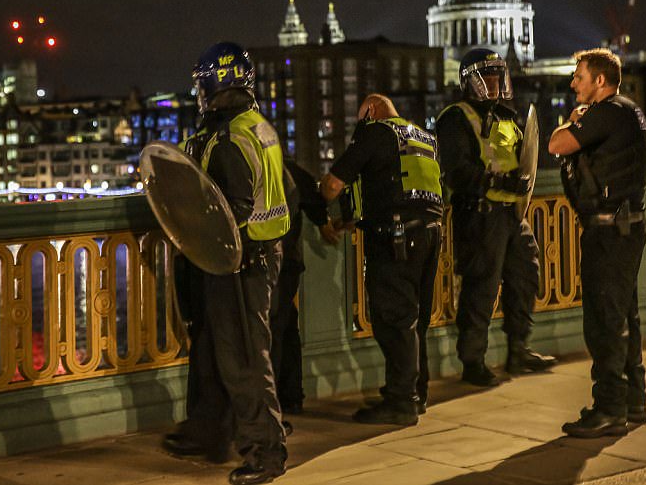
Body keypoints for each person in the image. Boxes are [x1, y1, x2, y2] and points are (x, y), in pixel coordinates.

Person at [163, 42, 289, 485]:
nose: (198, 95)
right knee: (233, 356)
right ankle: (222, 433)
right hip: (264, 255)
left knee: (244, 363)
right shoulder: (257, 127)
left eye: (201, 86)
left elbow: (230, 210)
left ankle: (266, 454)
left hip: (240, 265)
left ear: (215, 84)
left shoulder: (230, 140)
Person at [435, 48, 556, 388]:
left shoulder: (507, 116)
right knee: (480, 289)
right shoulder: (455, 117)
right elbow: (457, 172)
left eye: (496, 74)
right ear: (469, 81)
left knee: (525, 276)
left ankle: (519, 349)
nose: (493, 82)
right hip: (479, 217)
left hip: (513, 215)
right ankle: (473, 361)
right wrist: (498, 182)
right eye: (485, 75)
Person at [320, 94, 443, 426]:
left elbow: (333, 185)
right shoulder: (422, 137)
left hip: (395, 238)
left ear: (370, 112)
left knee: (394, 320)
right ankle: (417, 393)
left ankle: (400, 402)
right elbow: (397, 185)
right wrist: (351, 221)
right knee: (416, 318)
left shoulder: (376, 132)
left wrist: (318, 204)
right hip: (431, 235)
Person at [548, 48, 646, 438]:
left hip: (609, 231)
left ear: (600, 82)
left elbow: (557, 145)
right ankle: (634, 401)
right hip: (626, 227)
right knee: (626, 317)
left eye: (579, 76)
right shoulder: (630, 111)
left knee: (604, 322)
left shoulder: (606, 112)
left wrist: (571, 121)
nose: (573, 83)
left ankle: (609, 408)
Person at [270, 158, 339, 415]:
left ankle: (273, 401)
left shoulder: (249, 162)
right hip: (288, 259)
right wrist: (322, 221)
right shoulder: (283, 165)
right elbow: (310, 191)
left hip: (268, 260)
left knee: (272, 331)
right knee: (285, 326)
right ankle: (291, 397)